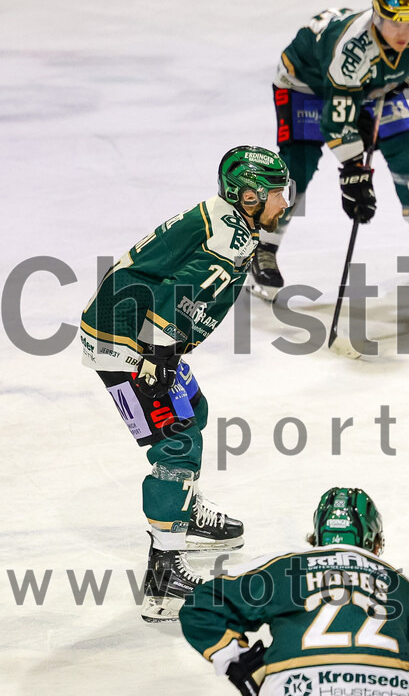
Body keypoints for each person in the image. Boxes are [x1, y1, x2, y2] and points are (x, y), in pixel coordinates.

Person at [79, 146, 291, 621]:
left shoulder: (227, 220)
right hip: (131, 340)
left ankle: (183, 511)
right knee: (177, 443)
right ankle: (164, 578)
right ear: (250, 196)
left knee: (193, 411)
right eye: (277, 194)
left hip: (134, 329)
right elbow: (180, 294)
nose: (285, 203)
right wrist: (157, 358)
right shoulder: (231, 237)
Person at [252, 0, 409, 299]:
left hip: (368, 85)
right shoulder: (352, 52)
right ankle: (263, 246)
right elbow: (336, 123)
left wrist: (403, 73)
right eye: (393, 22)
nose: (403, 32)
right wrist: (354, 172)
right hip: (305, 83)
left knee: (407, 146)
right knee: (298, 165)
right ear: (376, 17)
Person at [180, 488, 409, 696]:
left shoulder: (285, 567)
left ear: (317, 535)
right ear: (375, 542)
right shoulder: (406, 588)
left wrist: (237, 662)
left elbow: (200, 607)